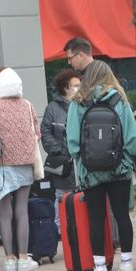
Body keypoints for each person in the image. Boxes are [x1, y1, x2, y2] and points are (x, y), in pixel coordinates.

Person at [66, 60, 136, 271]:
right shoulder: (119, 98)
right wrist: (131, 160)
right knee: (122, 215)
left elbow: (72, 142)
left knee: (96, 218)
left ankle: (99, 269)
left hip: (90, 170)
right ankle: (126, 265)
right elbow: (131, 137)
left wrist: (81, 159)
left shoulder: (78, 102)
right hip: (119, 167)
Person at [0, 68, 41, 271]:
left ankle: (9, 259)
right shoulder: (28, 105)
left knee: (5, 214)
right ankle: (24, 259)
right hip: (25, 165)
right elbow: (36, 133)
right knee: (22, 211)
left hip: (2, 167)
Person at [40, 68, 82, 229]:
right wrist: (62, 151)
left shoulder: (83, 104)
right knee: (61, 198)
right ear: (66, 87)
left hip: (81, 162)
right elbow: (46, 133)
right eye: (76, 85)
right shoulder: (52, 108)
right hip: (62, 164)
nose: (79, 88)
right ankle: (61, 230)